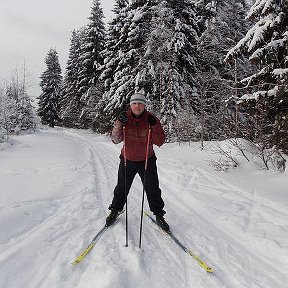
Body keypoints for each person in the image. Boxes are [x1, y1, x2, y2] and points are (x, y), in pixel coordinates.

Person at [106, 92, 170, 231]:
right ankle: (115, 210)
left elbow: (160, 141)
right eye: (134, 103)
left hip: (147, 159)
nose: (137, 106)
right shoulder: (124, 118)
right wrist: (118, 122)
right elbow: (115, 140)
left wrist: (155, 126)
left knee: (153, 189)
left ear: (144, 105)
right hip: (127, 160)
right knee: (121, 188)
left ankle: (159, 215)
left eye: (140, 103)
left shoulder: (151, 119)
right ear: (130, 105)